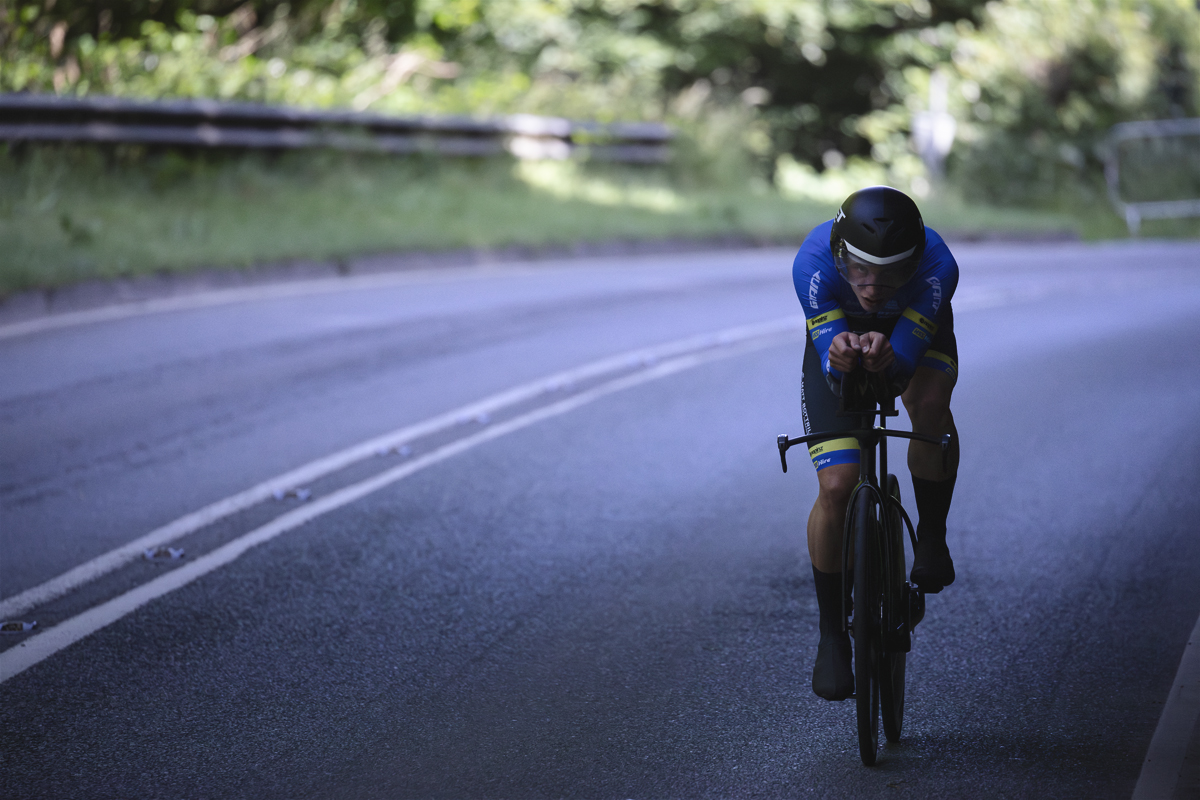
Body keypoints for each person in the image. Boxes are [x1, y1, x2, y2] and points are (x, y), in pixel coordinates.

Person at [792, 186, 960, 701]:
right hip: (840, 338)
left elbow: (904, 364)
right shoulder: (812, 264)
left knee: (927, 406)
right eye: (861, 269)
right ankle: (830, 634)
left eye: (891, 273)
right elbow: (828, 355)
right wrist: (837, 356)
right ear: (841, 255)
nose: (873, 285)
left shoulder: (939, 267)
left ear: (915, 262)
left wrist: (892, 359)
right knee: (838, 484)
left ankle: (931, 534)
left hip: (914, 335)